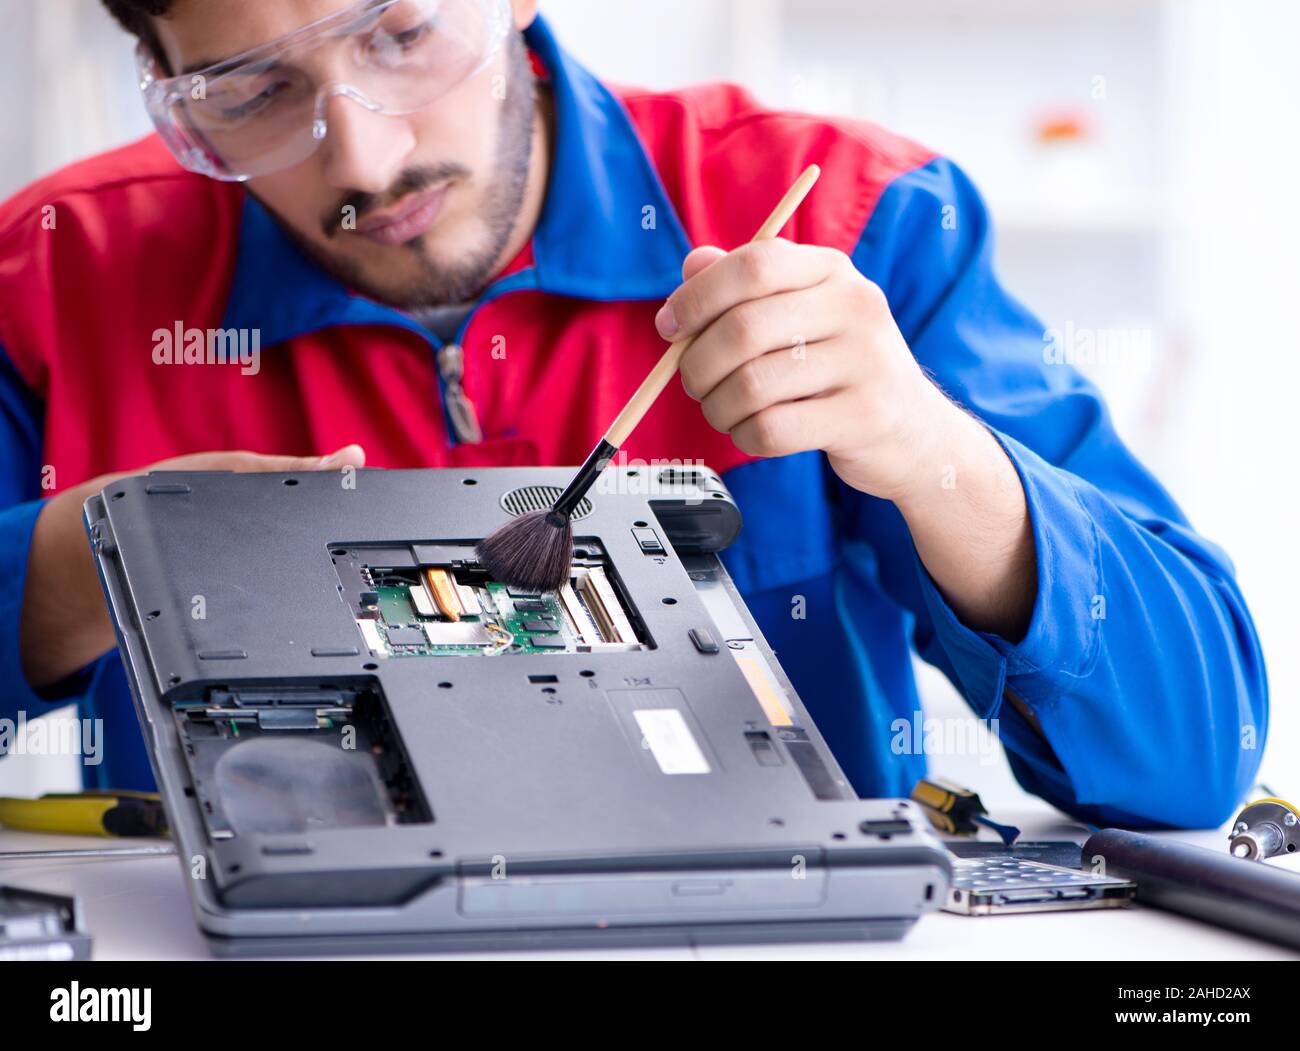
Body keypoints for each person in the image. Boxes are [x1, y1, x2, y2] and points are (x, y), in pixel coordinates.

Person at [0, 0, 1266, 827]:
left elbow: (1194, 752)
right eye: (249, 92)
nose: (365, 166)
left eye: (399, 35)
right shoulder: (53, 275)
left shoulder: (862, 219)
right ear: (160, 80)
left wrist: (931, 450)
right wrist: (90, 557)